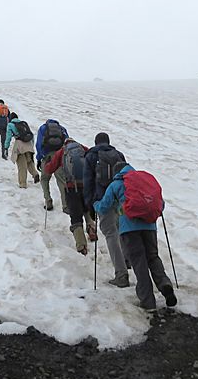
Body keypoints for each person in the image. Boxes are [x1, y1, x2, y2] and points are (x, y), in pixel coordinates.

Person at [94, 162, 177, 312]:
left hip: (129, 228)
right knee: (153, 257)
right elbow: (161, 204)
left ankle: (148, 301)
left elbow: (104, 207)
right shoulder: (145, 180)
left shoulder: (117, 183)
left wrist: (95, 205)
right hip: (149, 226)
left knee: (139, 262)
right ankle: (165, 284)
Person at [84, 132, 130, 287]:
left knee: (110, 234)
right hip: (120, 200)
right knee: (121, 229)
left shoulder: (91, 156)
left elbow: (88, 181)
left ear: (96, 142)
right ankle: (127, 259)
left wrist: (90, 205)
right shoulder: (119, 154)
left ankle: (121, 274)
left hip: (103, 200)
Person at [43, 137, 97, 255]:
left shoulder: (62, 151)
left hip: (71, 188)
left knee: (75, 215)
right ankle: (91, 228)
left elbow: (50, 169)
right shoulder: (83, 148)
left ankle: (81, 245)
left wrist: (47, 163)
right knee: (86, 208)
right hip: (86, 186)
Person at [35, 119, 69, 213]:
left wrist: (39, 158)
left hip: (47, 157)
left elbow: (39, 144)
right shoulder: (62, 129)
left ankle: (48, 200)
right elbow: (67, 143)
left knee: (45, 179)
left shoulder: (43, 128)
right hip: (59, 157)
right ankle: (65, 205)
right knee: (62, 181)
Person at [4, 113, 40, 188]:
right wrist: (31, 147)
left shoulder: (10, 125)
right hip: (29, 144)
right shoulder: (23, 124)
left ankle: (22, 184)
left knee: (21, 165)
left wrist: (6, 147)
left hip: (20, 145)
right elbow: (31, 135)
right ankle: (35, 174)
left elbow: (8, 137)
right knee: (29, 161)